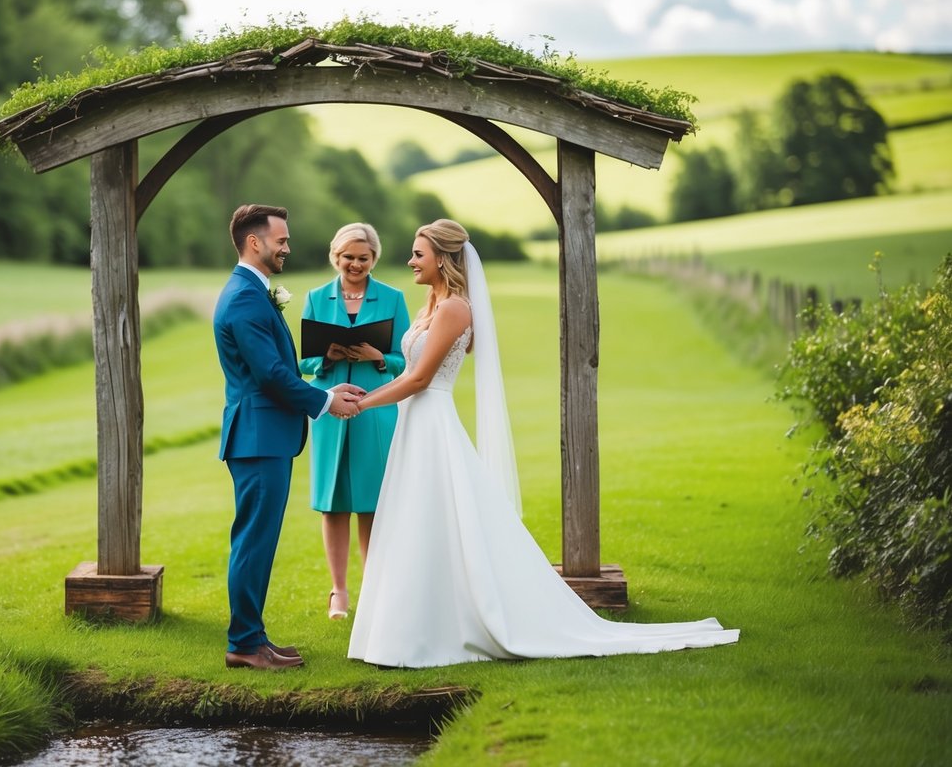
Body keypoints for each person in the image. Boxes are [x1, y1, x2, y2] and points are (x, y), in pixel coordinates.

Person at [347, 219, 740, 668]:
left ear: (443, 257)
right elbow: (406, 374)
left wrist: (361, 405)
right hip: (414, 423)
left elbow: (419, 379)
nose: (411, 261)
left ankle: (428, 634)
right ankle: (408, 629)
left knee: (433, 517)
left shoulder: (456, 308)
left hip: (432, 419)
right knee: (417, 519)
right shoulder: (431, 306)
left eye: (419, 253)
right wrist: (368, 395)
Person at [213, 203, 364, 671]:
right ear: (254, 242)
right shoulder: (244, 297)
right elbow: (271, 375)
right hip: (258, 437)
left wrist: (324, 387)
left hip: (266, 435)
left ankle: (253, 636)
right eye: (281, 240)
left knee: (258, 539)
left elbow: (277, 372)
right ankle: (244, 643)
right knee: (253, 541)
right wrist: (324, 404)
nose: (287, 248)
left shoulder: (253, 293)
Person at [299, 223, 411, 621]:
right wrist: (326, 356)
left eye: (363, 258)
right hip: (329, 409)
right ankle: (339, 592)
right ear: (336, 256)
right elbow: (303, 361)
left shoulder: (394, 299)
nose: (355, 264)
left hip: (375, 409)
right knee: (332, 503)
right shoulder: (315, 298)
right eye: (349, 257)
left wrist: (377, 358)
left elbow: (406, 358)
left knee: (371, 502)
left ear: (374, 259)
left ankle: (374, 590)